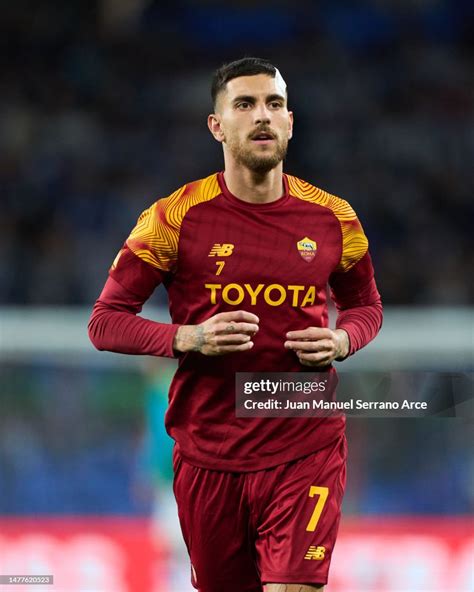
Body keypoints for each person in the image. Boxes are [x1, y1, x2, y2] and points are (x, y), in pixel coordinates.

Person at [89, 57, 383, 592]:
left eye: (274, 104)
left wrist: (344, 338)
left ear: (290, 121)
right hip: (209, 454)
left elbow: (367, 306)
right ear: (217, 125)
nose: (262, 117)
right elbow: (105, 322)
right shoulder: (173, 218)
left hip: (305, 443)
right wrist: (187, 337)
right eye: (245, 105)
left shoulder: (335, 219)